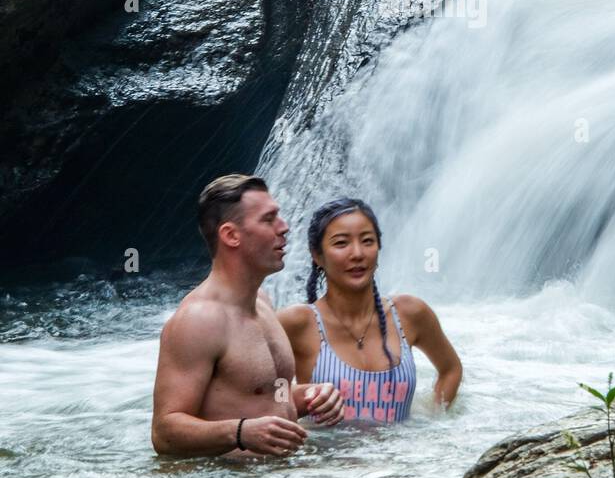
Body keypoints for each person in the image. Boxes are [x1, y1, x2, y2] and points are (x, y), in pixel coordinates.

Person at [151, 175, 343, 458]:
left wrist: (308, 397)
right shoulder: (199, 320)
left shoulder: (262, 303)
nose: (284, 227)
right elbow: (164, 433)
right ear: (231, 235)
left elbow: (263, 396)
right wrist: (240, 433)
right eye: (269, 219)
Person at [277, 197, 462, 424]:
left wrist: (429, 423)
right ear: (317, 255)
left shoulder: (410, 313)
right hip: (327, 458)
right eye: (341, 243)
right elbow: (264, 391)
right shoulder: (296, 322)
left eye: (367, 241)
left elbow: (450, 369)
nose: (357, 254)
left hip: (401, 458)